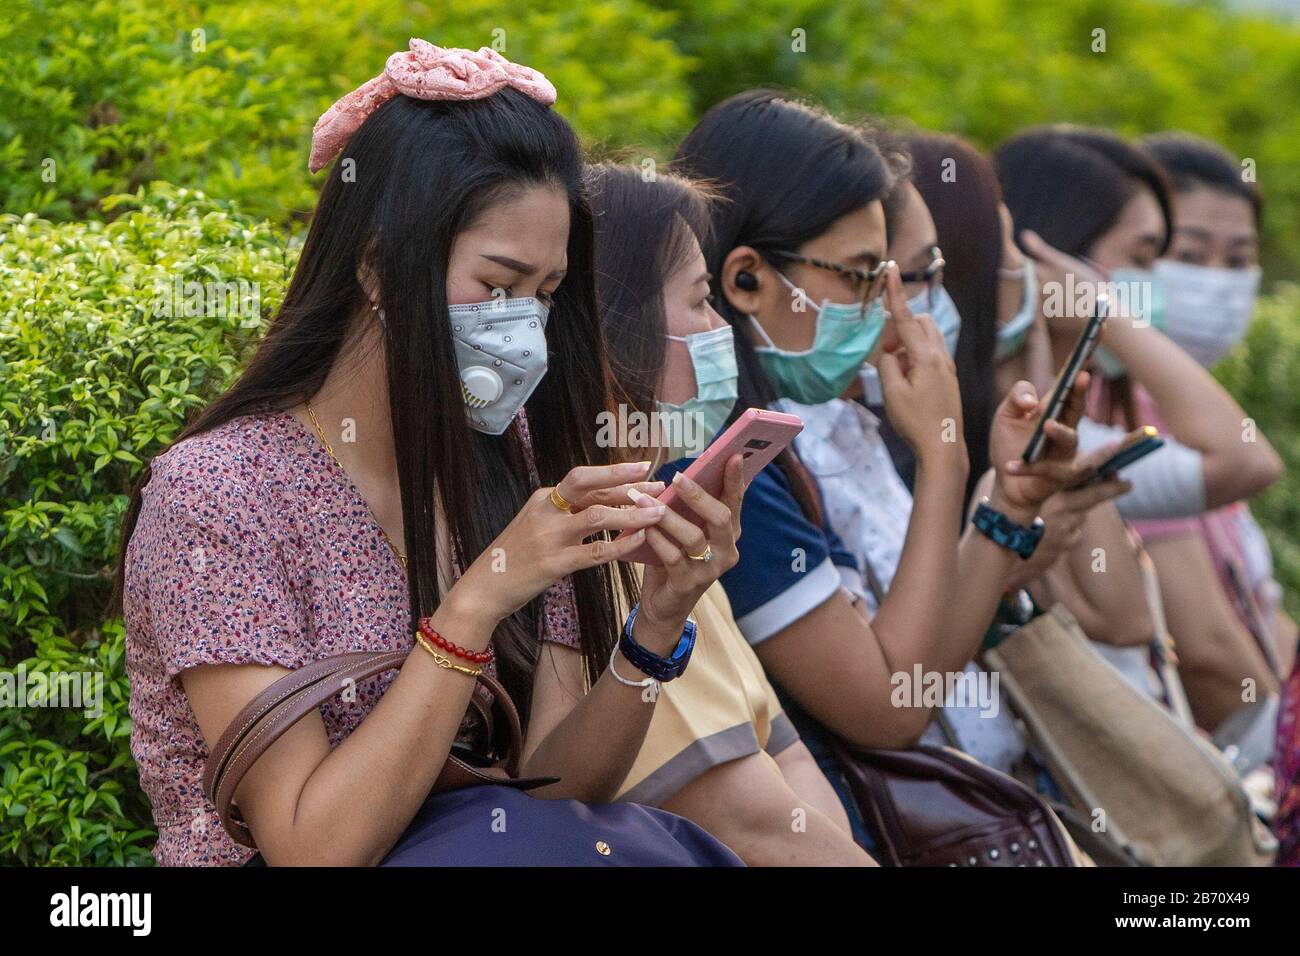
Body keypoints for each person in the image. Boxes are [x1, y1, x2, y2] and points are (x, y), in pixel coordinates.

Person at [112, 40, 744, 867]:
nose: (523, 325)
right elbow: (312, 847)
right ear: (378, 264)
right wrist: (476, 602)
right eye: (495, 285)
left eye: (545, 295)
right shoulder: (219, 494)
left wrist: (655, 623)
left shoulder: (504, 454)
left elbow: (551, 799)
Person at [669, 91, 1088, 840]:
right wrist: (944, 456)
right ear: (745, 279)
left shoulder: (797, 428)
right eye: (862, 278)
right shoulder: (723, 466)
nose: (886, 310)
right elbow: (888, 708)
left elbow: (922, 664)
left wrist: (1006, 511)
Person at [586, 162, 873, 864]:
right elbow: (749, 819)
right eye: (699, 301)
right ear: (613, 325)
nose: (721, 329)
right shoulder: (603, 537)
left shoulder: (663, 506)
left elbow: (786, 757)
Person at [995, 125, 1285, 733]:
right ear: (1056, 258)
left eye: (1237, 258)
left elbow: (1261, 611)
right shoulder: (1042, 426)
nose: (1158, 284)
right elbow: (1246, 462)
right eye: (1153, 255)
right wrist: (1108, 313)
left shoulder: (1114, 409)